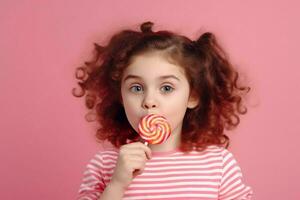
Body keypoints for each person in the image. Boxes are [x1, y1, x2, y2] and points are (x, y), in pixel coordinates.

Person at [73, 21, 253, 200]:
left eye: (166, 88)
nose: (149, 101)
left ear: (192, 96)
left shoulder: (218, 164)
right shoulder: (105, 165)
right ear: (121, 96)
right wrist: (117, 185)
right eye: (136, 88)